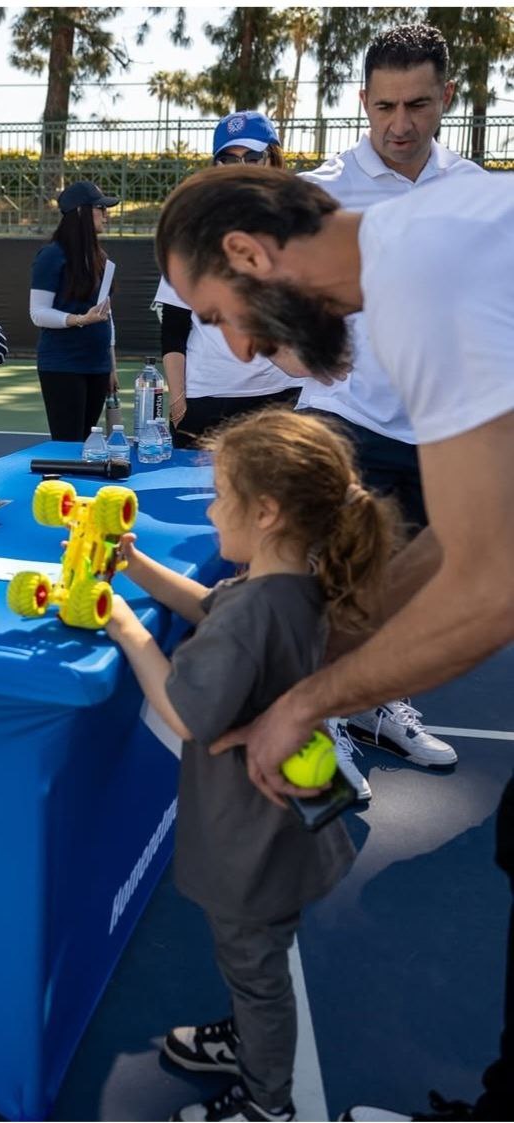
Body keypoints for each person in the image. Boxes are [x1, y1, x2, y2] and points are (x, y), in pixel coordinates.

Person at [154, 165, 514, 1121]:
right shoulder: (437, 243)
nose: (240, 345)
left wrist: (304, 700)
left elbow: (490, 585)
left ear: (247, 251)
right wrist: (333, 634)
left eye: (219, 311)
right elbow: (463, 536)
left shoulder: (424, 279)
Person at [107, 408, 399, 1123]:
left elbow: (186, 714)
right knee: (257, 959)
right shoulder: (292, 585)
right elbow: (212, 607)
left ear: (264, 511)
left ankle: (267, 1104)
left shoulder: (253, 612)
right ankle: (246, 1029)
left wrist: (124, 627)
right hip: (292, 818)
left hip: (250, 834)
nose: (208, 508)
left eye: (218, 494)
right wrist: (136, 565)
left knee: (255, 968)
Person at [295, 23, 479, 794]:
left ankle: (376, 703)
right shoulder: (316, 190)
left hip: (436, 425)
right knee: (334, 577)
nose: (399, 124)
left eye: (417, 104)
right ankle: (320, 719)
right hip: (342, 420)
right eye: (383, 107)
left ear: (445, 99)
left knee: (405, 587)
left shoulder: (472, 189)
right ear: (361, 103)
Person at [155, 111, 299, 449]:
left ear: (272, 159)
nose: (241, 166)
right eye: (229, 158)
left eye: (253, 157)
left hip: (282, 397)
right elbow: (173, 331)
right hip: (209, 400)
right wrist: (179, 402)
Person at [29, 180, 118, 441]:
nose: (106, 214)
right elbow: (38, 312)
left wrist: (110, 365)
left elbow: (107, 314)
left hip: (97, 366)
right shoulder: (51, 256)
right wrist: (80, 319)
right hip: (63, 365)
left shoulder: (99, 257)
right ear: (81, 212)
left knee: (88, 444)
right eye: (100, 208)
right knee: (67, 444)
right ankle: (57, 484)